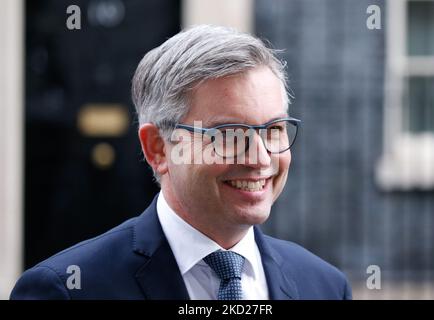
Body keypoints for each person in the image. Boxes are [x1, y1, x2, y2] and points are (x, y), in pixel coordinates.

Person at [10, 25, 352, 300]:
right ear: (158, 148)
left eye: (274, 129)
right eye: (230, 134)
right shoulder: (65, 290)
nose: (260, 158)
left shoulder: (325, 286)